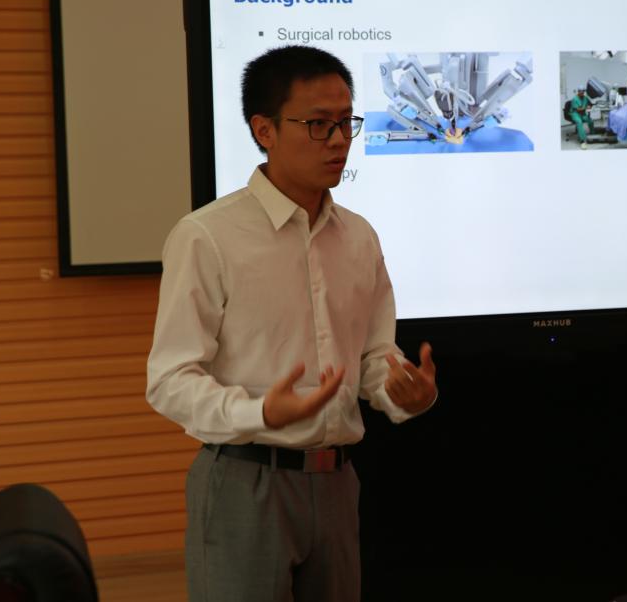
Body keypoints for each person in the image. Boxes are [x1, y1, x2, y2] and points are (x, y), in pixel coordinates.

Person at [146, 45, 438, 602]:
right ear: (265, 130)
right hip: (245, 478)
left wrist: (404, 391)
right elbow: (170, 380)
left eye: (346, 122)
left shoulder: (359, 236)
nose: (339, 140)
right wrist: (259, 411)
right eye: (318, 124)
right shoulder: (207, 236)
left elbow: (374, 357)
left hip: (337, 481)